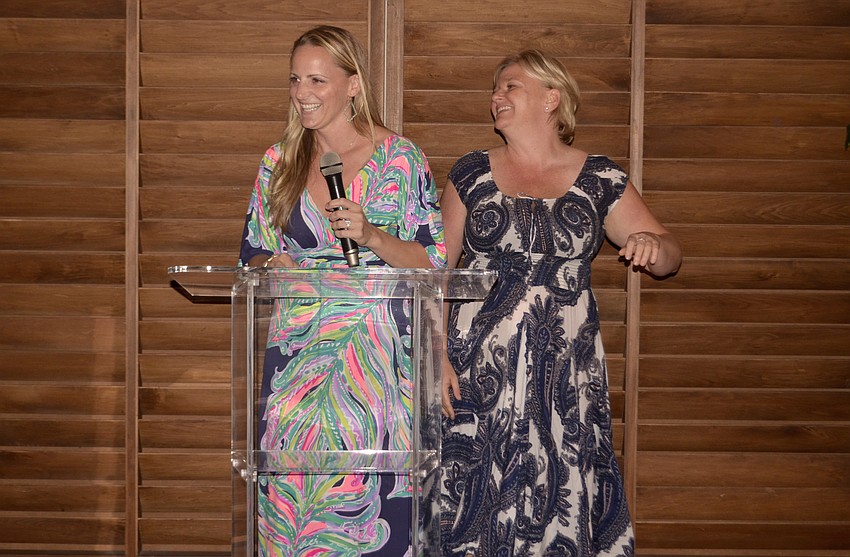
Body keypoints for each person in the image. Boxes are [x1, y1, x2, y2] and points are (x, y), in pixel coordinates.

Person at [439, 49, 682, 557]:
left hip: (565, 380)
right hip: (477, 373)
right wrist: (435, 355)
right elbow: (437, 273)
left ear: (552, 98)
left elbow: (668, 255)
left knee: (563, 494)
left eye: (511, 86)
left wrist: (655, 247)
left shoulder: (599, 179)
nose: (496, 95)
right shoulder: (469, 176)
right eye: (496, 88)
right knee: (471, 498)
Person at [238, 25, 446, 556]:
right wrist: (273, 263)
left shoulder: (400, 159)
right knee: (294, 508)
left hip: (374, 362)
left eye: (317, 79)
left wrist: (373, 235)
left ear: (353, 85)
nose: (302, 91)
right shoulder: (277, 161)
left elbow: (433, 261)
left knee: (367, 502)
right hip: (297, 361)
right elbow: (251, 253)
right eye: (295, 79)